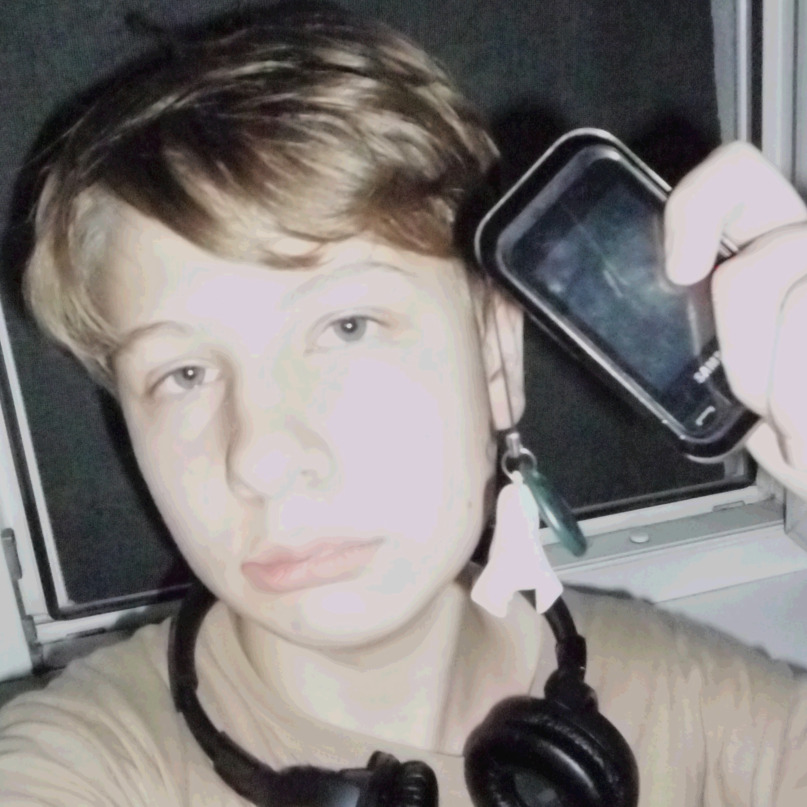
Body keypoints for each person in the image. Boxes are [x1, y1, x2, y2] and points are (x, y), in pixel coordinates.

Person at [2, 3, 807, 805]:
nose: (262, 456)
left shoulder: (688, 703)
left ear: (494, 358)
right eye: (183, 373)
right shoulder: (83, 765)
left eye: (347, 326)